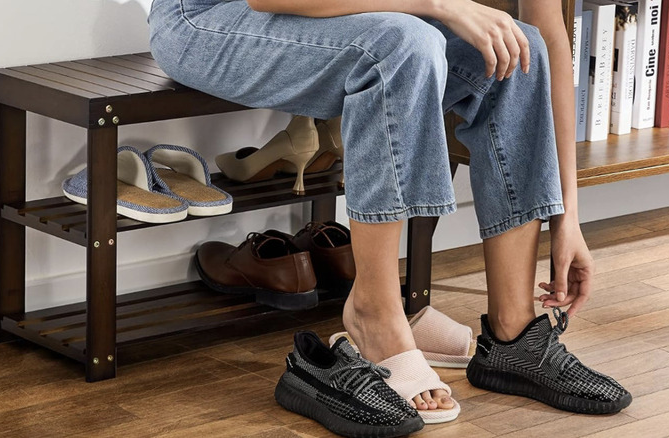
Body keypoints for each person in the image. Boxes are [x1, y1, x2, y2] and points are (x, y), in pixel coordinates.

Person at [148, 0, 631, 426]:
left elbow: (545, 33)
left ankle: (513, 337)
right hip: (206, 19)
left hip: (370, 14)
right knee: (403, 43)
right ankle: (374, 312)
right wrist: (442, 4)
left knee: (515, 48)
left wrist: (568, 217)